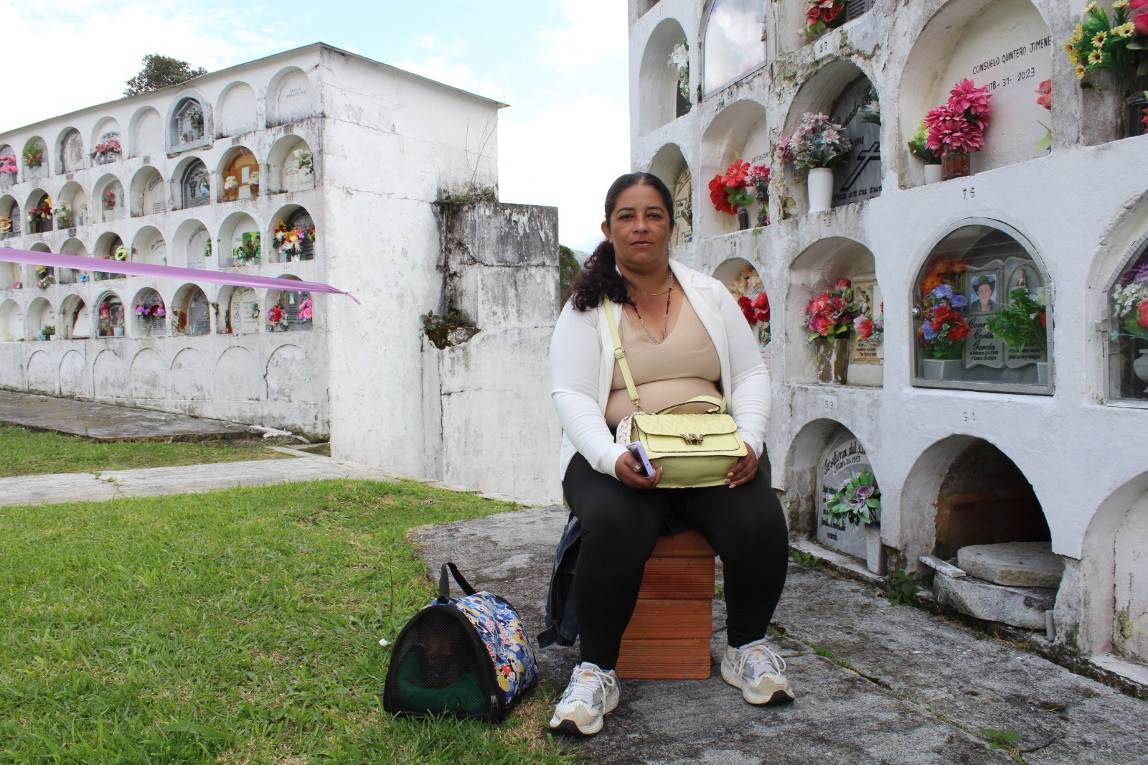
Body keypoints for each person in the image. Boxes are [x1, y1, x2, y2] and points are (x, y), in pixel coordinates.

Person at [547, 172, 792, 737]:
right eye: (627, 216)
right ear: (607, 229)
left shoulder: (709, 295)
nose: (641, 227)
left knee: (759, 521)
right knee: (615, 523)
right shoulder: (586, 308)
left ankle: (745, 647)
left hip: (710, 449)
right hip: (617, 453)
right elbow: (572, 395)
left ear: (671, 226)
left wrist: (750, 439)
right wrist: (609, 459)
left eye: (654, 214)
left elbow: (750, 373)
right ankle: (596, 670)